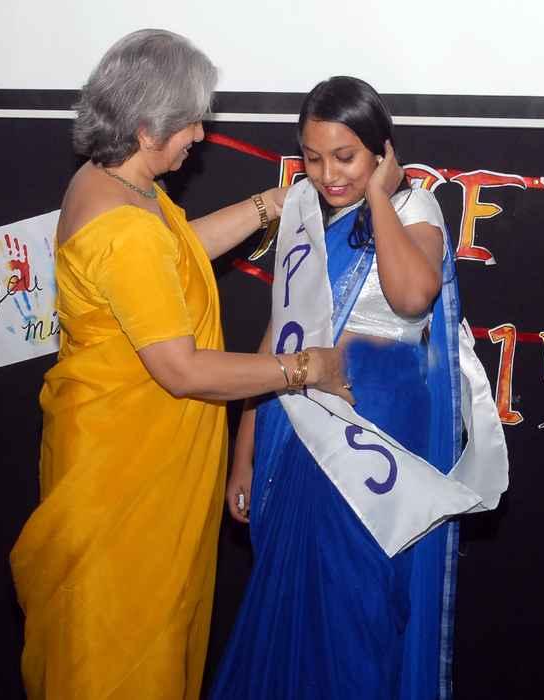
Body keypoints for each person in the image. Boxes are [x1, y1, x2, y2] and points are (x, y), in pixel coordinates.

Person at [8, 31, 352, 700]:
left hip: (135, 459)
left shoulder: (112, 180)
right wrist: (307, 368)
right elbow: (183, 371)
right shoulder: (124, 230)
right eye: (191, 121)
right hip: (127, 478)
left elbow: (175, 255)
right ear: (146, 130)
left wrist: (270, 204)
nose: (200, 133)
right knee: (121, 656)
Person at [209, 77, 508, 699]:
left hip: (375, 432)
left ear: (381, 150)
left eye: (345, 157)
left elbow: (412, 296)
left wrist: (378, 196)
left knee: (358, 603)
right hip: (297, 427)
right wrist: (244, 449)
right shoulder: (307, 218)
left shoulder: (414, 208)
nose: (328, 175)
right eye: (313, 158)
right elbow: (277, 337)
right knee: (291, 599)